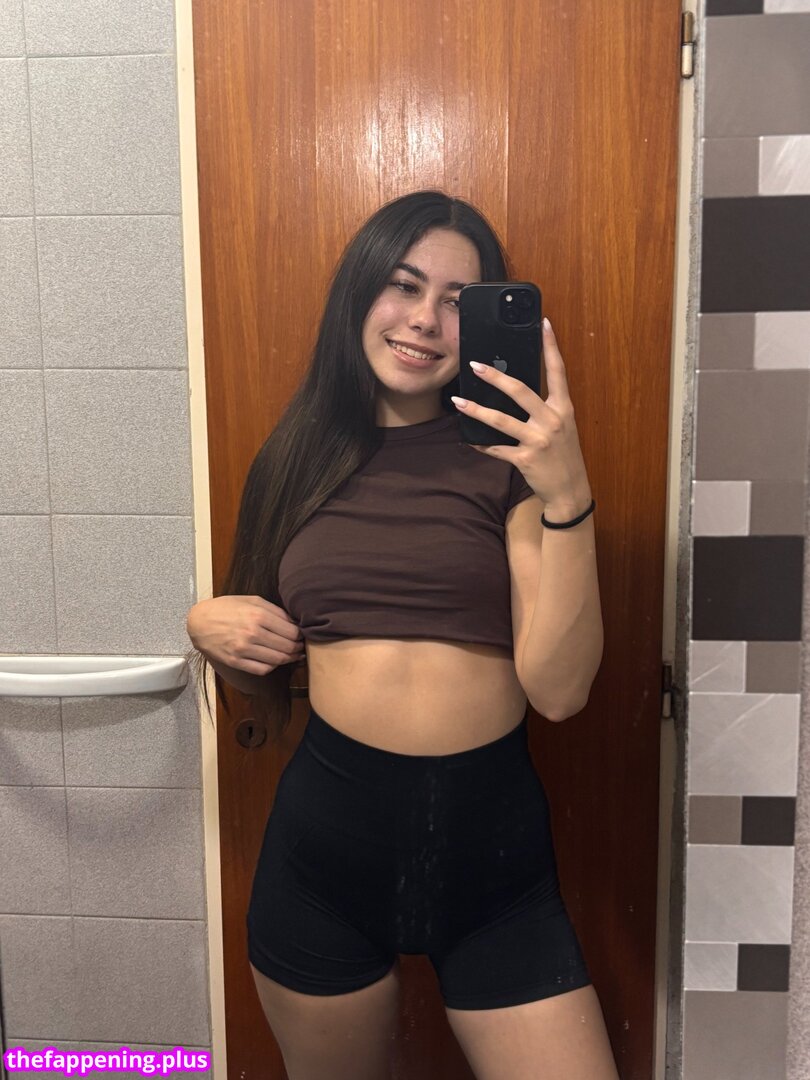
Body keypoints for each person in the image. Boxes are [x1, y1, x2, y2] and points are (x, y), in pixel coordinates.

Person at [186, 191, 619, 1080]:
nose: (425, 319)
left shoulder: (512, 464)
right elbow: (261, 647)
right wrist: (205, 623)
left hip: (497, 873)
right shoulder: (294, 459)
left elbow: (560, 691)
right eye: (404, 284)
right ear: (360, 294)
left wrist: (568, 494)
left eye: (458, 300)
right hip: (323, 864)